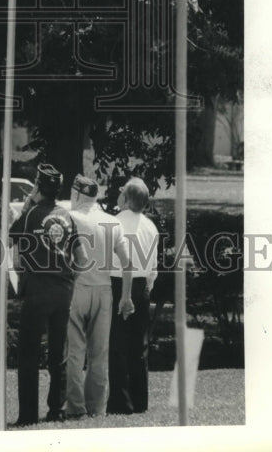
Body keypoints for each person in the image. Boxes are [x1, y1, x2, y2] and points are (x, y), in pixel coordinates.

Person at [9, 163, 75, 426]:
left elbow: (12, 236)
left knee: (29, 352)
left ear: (38, 187)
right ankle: (56, 410)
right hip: (63, 289)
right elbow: (76, 251)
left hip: (38, 289)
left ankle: (27, 414)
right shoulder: (66, 215)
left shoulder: (31, 214)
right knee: (59, 352)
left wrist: (27, 205)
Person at [64, 175, 134, 419]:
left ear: (75, 195)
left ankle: (75, 407)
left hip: (78, 287)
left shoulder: (71, 218)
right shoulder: (112, 223)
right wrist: (126, 297)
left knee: (74, 352)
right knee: (99, 354)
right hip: (105, 291)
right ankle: (96, 408)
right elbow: (128, 264)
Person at [107, 177, 159, 415]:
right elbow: (153, 267)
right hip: (142, 286)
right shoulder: (150, 227)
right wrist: (147, 286)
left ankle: (120, 401)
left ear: (126, 199)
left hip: (117, 283)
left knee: (117, 343)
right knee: (139, 346)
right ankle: (140, 401)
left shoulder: (114, 223)